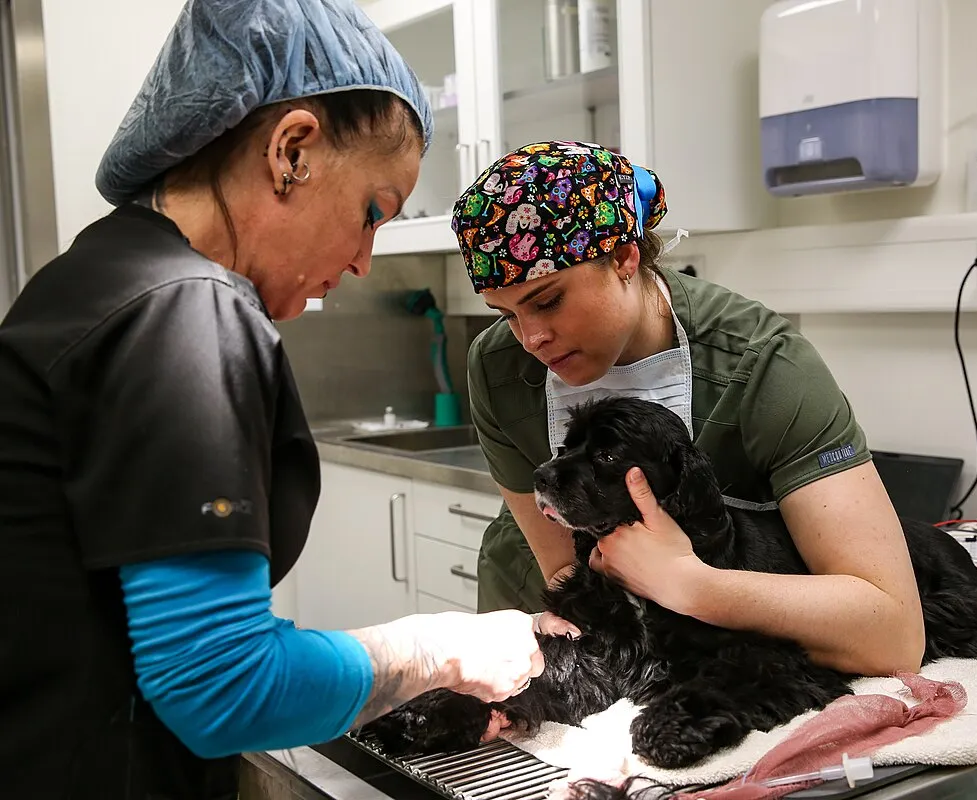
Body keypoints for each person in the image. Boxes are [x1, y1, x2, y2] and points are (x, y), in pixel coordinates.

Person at [0, 3, 569, 798]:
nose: (367, 260)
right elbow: (221, 685)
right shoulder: (187, 310)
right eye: (372, 212)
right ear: (291, 150)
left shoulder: (92, 273)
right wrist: (438, 651)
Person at [454, 140, 926, 679]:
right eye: (506, 314)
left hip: (723, 651)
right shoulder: (497, 366)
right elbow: (565, 570)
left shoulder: (764, 366)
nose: (530, 337)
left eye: (547, 300)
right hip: (543, 615)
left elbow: (892, 636)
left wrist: (690, 585)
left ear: (625, 257)